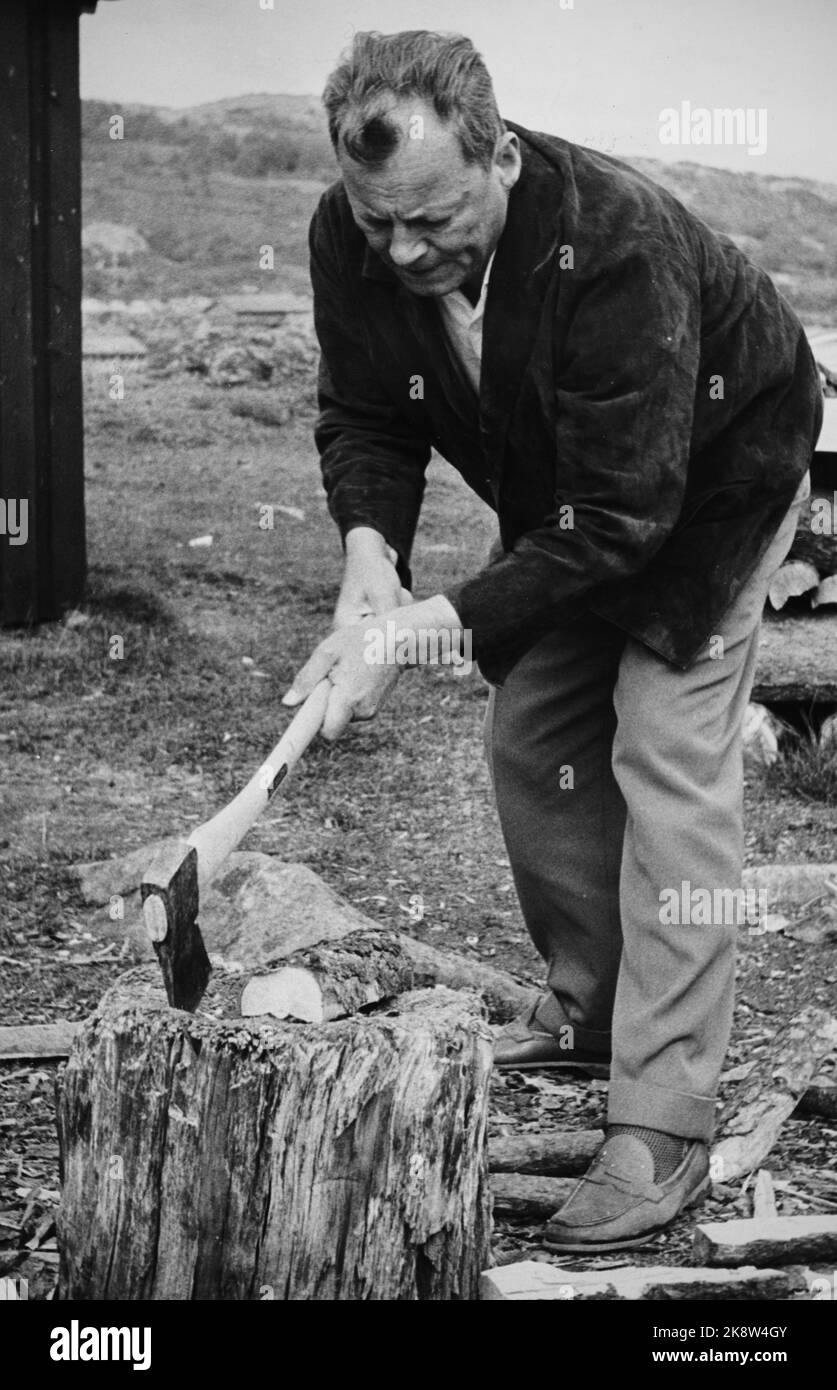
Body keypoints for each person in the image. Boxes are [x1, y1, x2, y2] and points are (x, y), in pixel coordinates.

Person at [283, 29, 822, 1252]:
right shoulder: (351, 232)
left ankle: (667, 1111)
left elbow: (633, 515)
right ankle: (593, 1010)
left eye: (431, 219)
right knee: (535, 735)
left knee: (665, 749)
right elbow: (365, 409)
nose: (404, 251)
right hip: (585, 502)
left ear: (503, 157)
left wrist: (427, 629)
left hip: (720, 485)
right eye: (380, 226)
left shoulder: (615, 243)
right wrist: (372, 553)